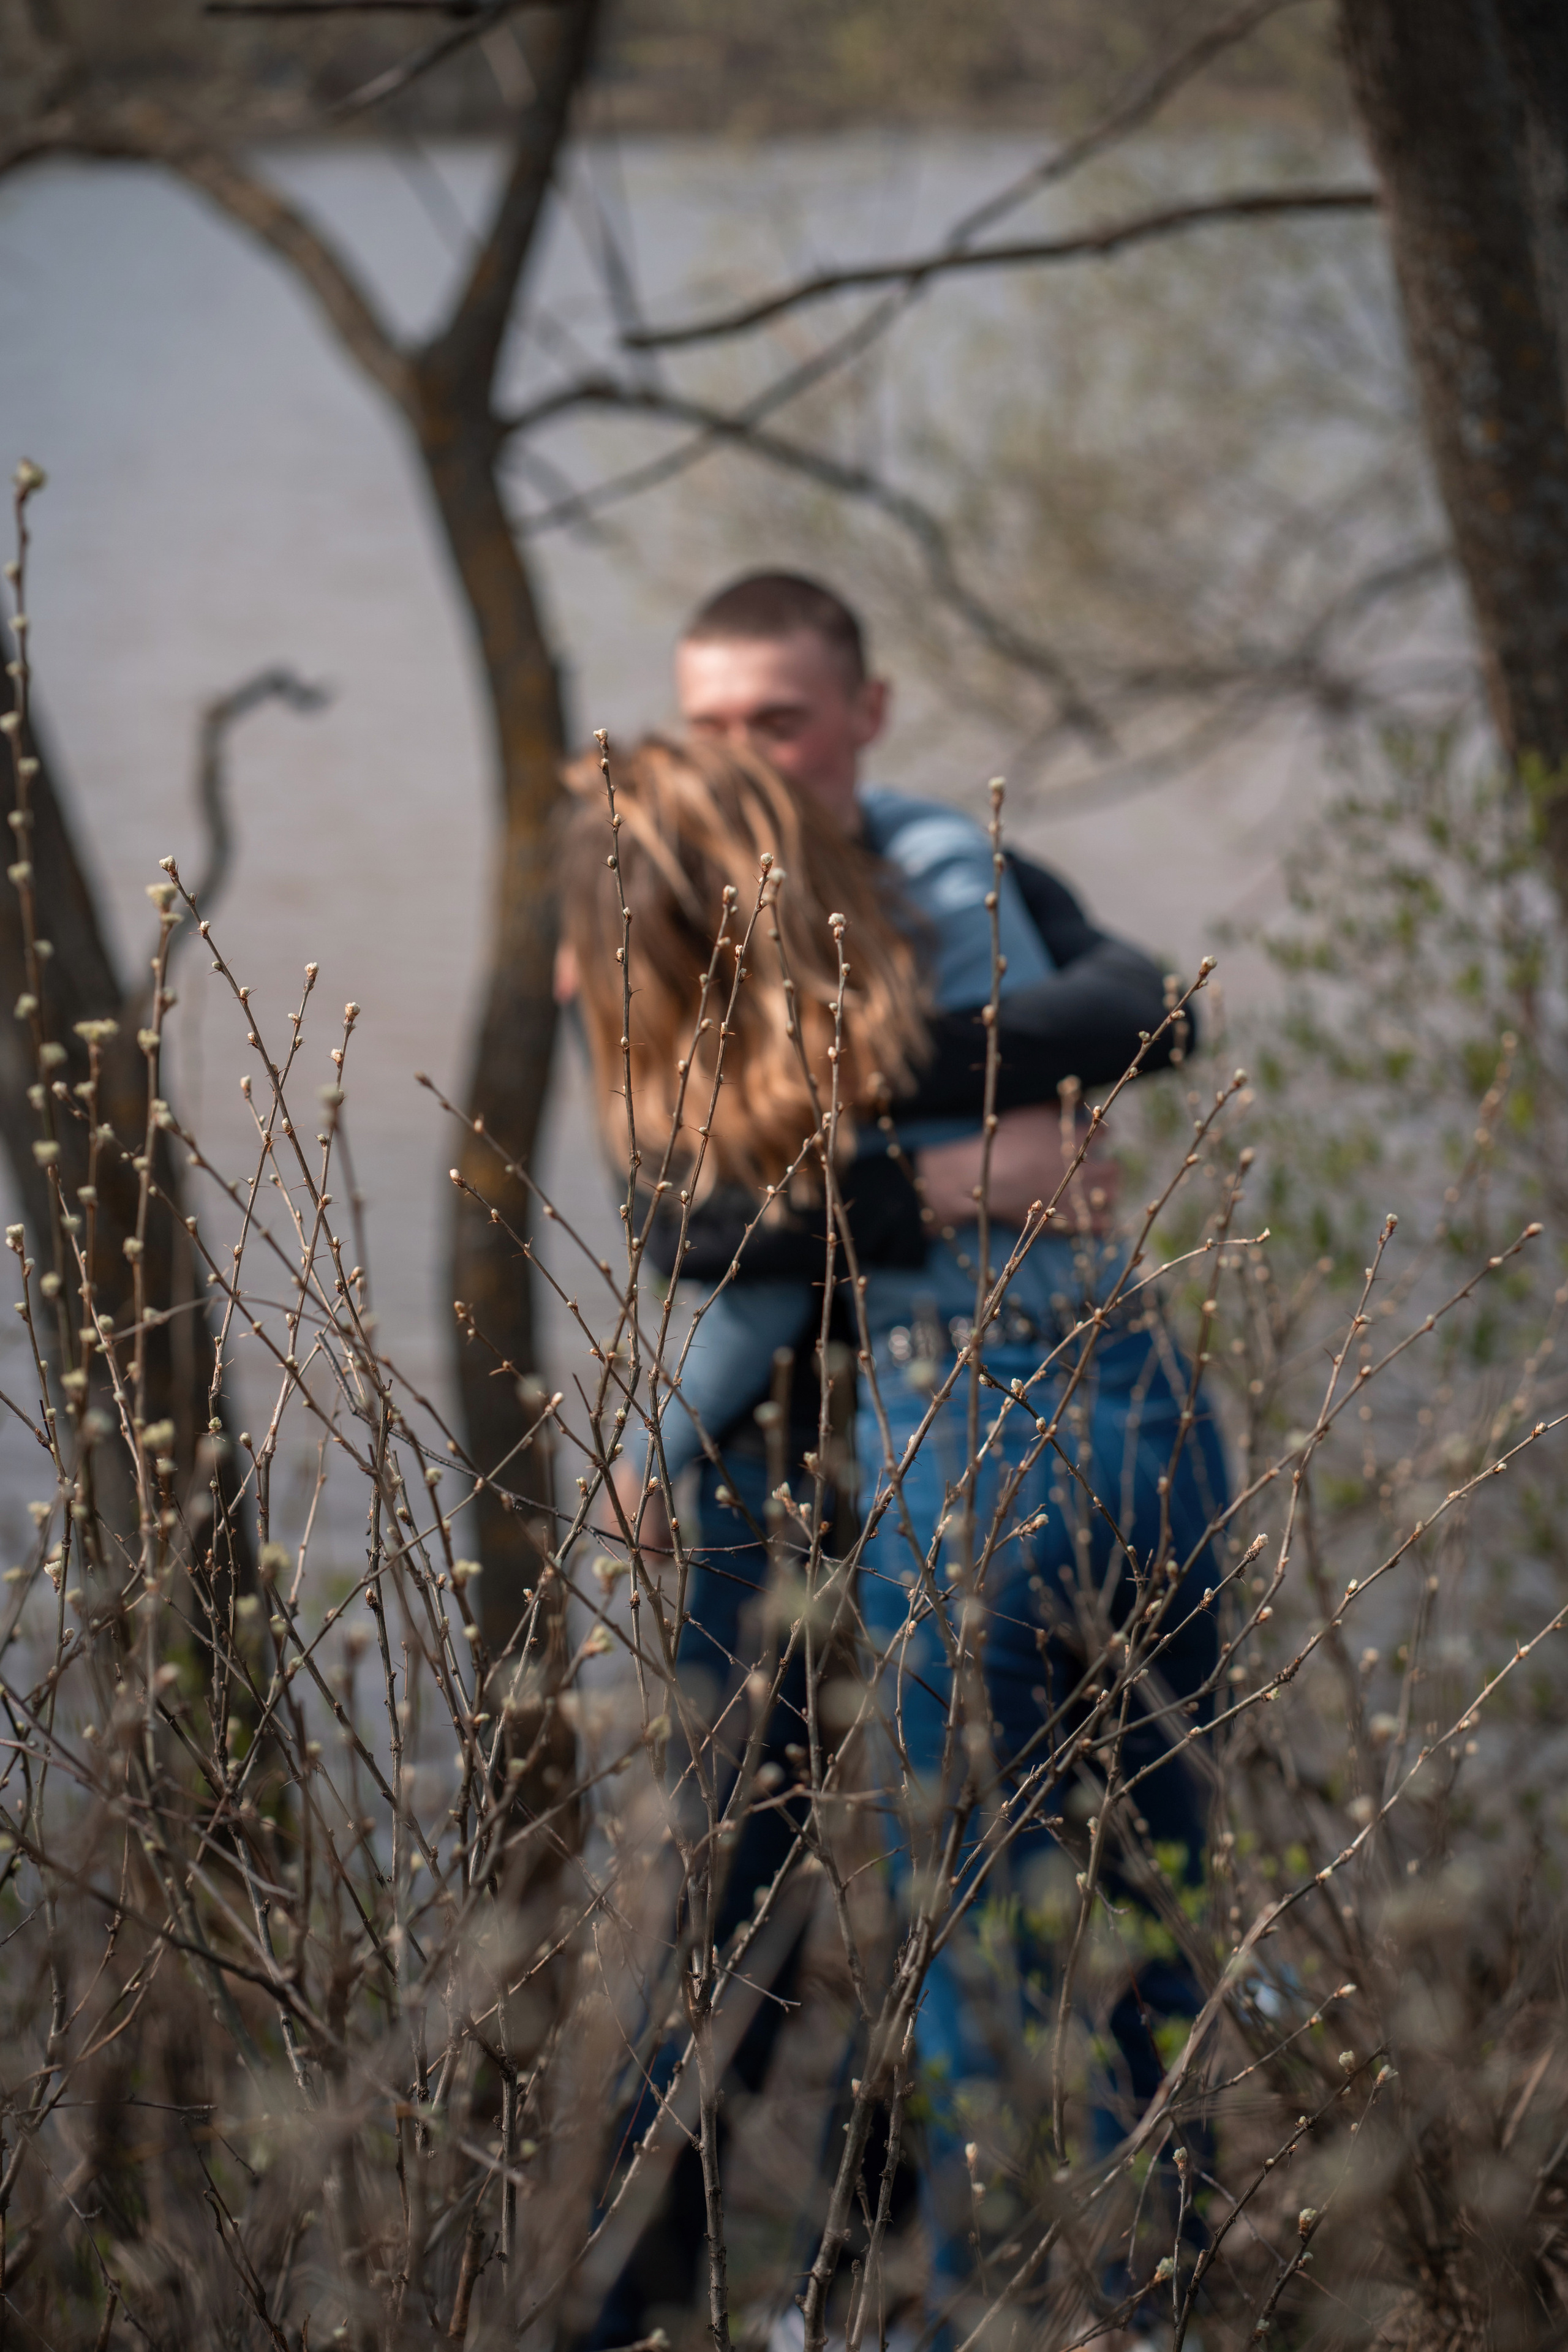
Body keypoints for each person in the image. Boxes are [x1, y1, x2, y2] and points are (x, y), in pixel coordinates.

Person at [560, 578, 1226, 2345]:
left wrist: (877, 1061)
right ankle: (632, 2306)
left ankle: (943, 2287)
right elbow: (689, 1224)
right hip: (769, 1468)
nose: (740, 753)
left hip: (981, 1415)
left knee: (1017, 1906)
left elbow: (1151, 1010)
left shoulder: (944, 864)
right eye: (713, 721)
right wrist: (941, 1167)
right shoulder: (673, 880)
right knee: (742, 1897)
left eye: (778, 719)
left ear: (863, 710)